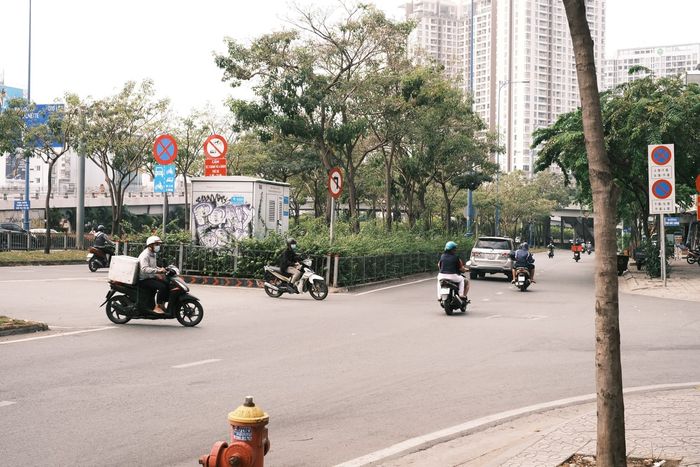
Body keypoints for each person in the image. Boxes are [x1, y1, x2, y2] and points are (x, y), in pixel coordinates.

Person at [138, 236, 168, 314]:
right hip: (144, 279)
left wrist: (160, 269)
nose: (158, 246)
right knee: (162, 287)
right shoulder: (145, 255)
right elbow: (144, 269)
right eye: (156, 244)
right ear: (150, 245)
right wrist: (158, 271)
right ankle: (157, 307)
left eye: (159, 244)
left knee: (167, 283)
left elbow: (153, 266)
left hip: (150, 277)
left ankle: (162, 304)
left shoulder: (153, 254)